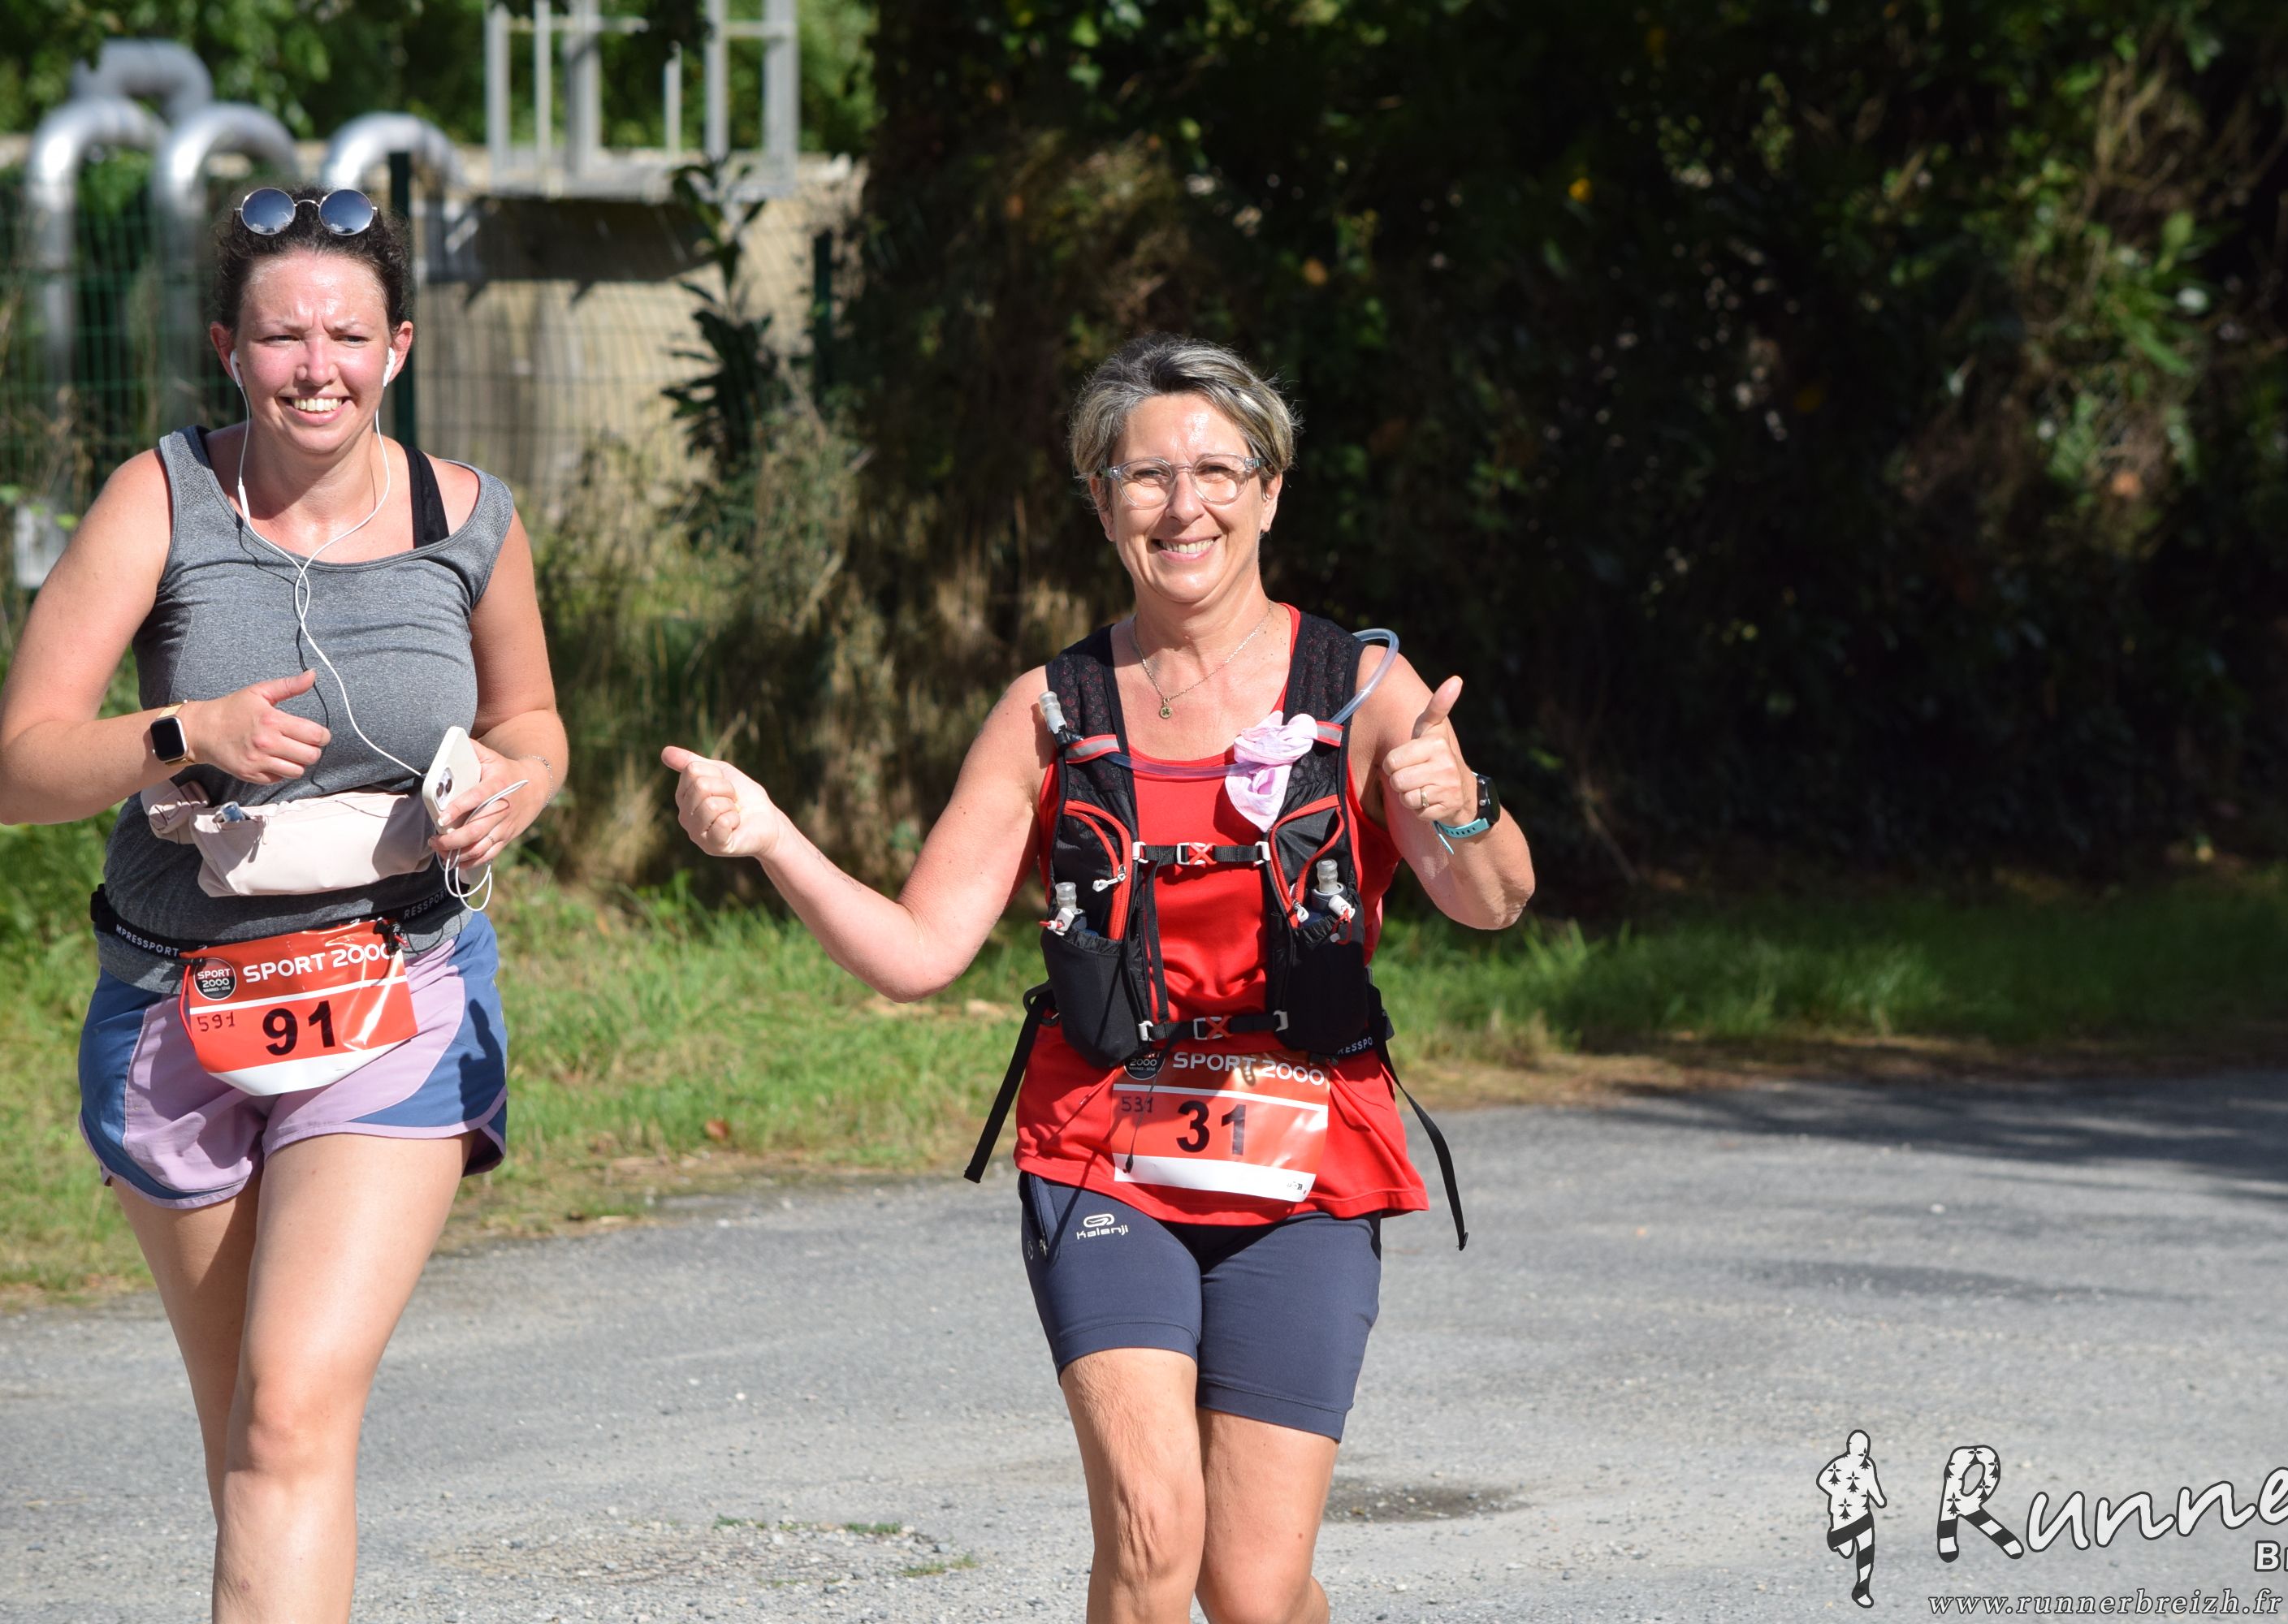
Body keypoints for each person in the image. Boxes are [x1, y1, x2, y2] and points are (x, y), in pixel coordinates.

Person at [664, 333, 1534, 1624]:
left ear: (1270, 490)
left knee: (1254, 1588)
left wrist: (1460, 804)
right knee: (1151, 1534)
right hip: (1103, 1151)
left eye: (1217, 472)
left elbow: (1493, 901)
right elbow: (918, 951)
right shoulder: (1052, 708)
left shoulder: (1361, 691)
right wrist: (773, 838)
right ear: (1101, 499)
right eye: (1146, 477)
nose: (1184, 507)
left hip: (1308, 1160)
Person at [0, 184, 563, 1622]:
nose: (318, 368)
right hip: (174, 1009)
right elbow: (20, 766)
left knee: (290, 1411)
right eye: (281, 338)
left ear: (400, 347)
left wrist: (520, 783)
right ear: (227, 350)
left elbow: (536, 719)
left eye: (348, 336)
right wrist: (185, 732)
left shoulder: (467, 516)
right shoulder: (159, 500)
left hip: (395, 988)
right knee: (248, 1442)